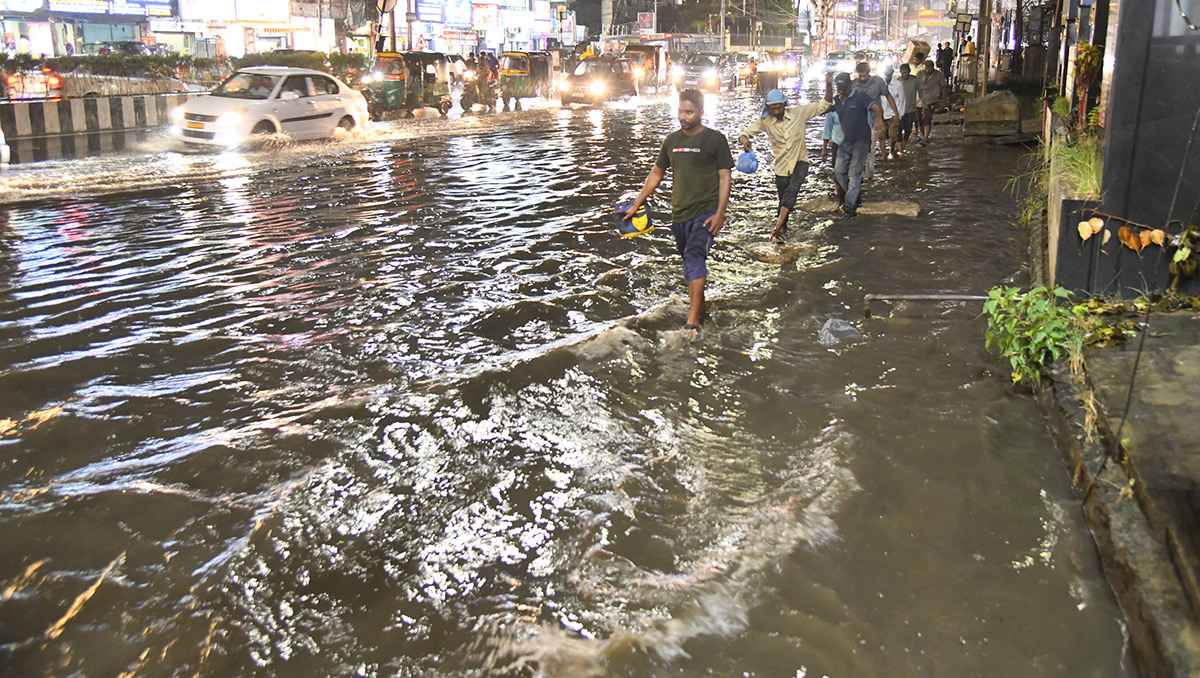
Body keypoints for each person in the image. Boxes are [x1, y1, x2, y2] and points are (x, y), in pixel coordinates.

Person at [624, 88, 733, 335]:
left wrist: (720, 214)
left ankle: (692, 324)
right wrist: (636, 203)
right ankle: (702, 310)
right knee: (689, 264)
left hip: (705, 211)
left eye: (689, 112)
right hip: (679, 214)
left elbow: (725, 177)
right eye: (680, 111)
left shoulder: (714, 140)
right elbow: (656, 174)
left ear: (701, 113)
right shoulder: (671, 141)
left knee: (695, 257)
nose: (683, 116)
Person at [736, 77, 833, 242]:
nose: (776, 111)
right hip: (781, 168)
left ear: (785, 105)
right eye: (772, 108)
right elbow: (744, 134)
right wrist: (746, 143)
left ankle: (776, 231)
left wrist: (829, 84)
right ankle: (784, 229)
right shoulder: (765, 122)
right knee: (783, 201)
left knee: (791, 193)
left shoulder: (798, 114)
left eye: (778, 107)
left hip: (800, 162)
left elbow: (824, 104)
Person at [832, 72, 884, 218]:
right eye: (839, 88)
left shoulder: (860, 97)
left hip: (861, 140)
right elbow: (821, 107)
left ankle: (849, 209)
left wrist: (879, 119)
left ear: (851, 84)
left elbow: (877, 107)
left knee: (854, 173)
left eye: (844, 88)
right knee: (839, 172)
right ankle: (855, 198)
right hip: (846, 141)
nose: (842, 91)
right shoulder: (837, 100)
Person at [918, 59, 949, 142]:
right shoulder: (920, 74)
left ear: (933, 67)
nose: (928, 70)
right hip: (919, 100)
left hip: (932, 98)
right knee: (919, 119)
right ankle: (923, 134)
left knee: (926, 117)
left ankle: (925, 138)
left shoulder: (939, 75)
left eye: (929, 68)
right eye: (926, 68)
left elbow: (944, 87)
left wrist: (944, 100)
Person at [878, 66, 904, 160]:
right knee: (881, 136)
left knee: (893, 135)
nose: (887, 75)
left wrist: (898, 115)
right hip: (881, 114)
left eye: (888, 73)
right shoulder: (880, 83)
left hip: (893, 114)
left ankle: (892, 149)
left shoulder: (898, 84)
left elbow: (902, 101)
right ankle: (884, 155)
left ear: (892, 73)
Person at [897, 63, 919, 154]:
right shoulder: (897, 82)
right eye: (903, 73)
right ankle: (900, 149)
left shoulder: (915, 80)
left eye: (906, 73)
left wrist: (923, 104)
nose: (905, 75)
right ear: (900, 73)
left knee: (908, 128)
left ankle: (903, 146)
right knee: (898, 129)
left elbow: (921, 92)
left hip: (911, 109)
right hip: (899, 110)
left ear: (909, 72)